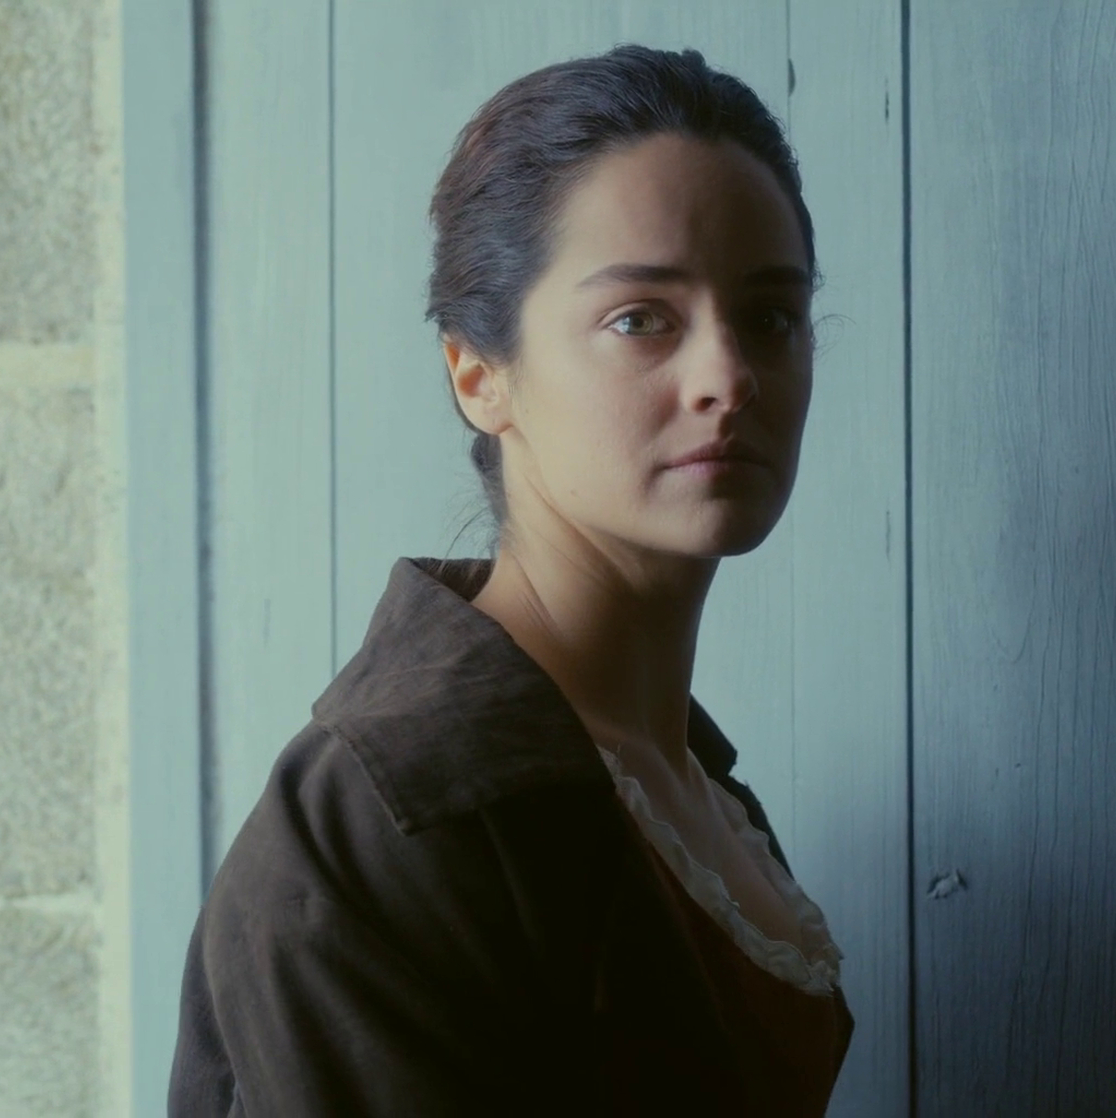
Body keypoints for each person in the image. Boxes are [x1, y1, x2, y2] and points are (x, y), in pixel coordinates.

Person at [170, 44, 852, 1116]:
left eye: (770, 315)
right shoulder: (385, 820)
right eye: (640, 319)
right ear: (477, 374)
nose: (728, 377)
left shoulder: (697, 796)